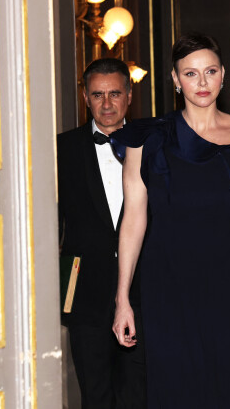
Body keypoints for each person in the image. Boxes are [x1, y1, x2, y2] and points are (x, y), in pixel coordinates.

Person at [111, 33, 230, 408]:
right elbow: (133, 221)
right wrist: (122, 297)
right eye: (190, 74)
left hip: (228, 283)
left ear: (223, 77)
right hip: (165, 284)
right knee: (175, 391)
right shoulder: (146, 139)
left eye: (210, 72)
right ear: (175, 79)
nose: (201, 83)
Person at [57, 58, 146, 408]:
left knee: (141, 395)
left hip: (143, 289)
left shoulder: (153, 146)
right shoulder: (60, 150)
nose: (106, 104)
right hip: (83, 293)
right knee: (94, 396)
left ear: (128, 96)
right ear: (85, 97)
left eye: (114, 94)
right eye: (97, 95)